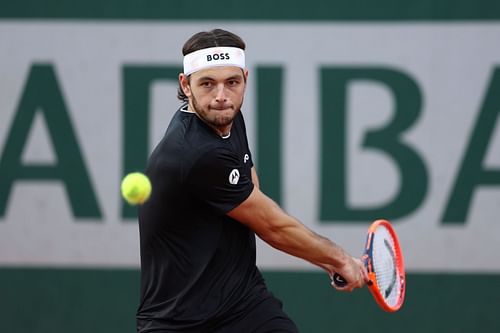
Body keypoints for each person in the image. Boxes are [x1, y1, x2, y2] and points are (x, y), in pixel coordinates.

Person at [136, 28, 368, 333]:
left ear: (245, 79)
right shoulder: (194, 152)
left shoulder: (227, 116)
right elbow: (270, 225)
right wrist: (339, 259)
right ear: (186, 84)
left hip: (241, 302)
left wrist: (325, 261)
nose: (221, 96)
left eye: (232, 82)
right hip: (179, 322)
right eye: (207, 84)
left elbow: (250, 191)